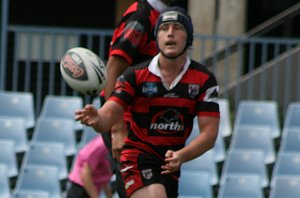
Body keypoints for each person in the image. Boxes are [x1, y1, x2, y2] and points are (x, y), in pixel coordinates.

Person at [76, 6, 220, 198]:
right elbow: (109, 113)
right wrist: (97, 119)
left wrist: (181, 156)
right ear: (156, 37)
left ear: (189, 37)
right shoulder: (135, 75)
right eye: (164, 28)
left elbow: (209, 135)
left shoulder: (203, 79)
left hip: (170, 164)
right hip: (136, 156)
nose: (170, 34)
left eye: (177, 28)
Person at [101, 0, 173, 197]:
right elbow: (113, 70)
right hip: (126, 120)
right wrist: (117, 128)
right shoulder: (141, 17)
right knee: (136, 187)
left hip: (149, 121)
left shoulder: (167, 16)